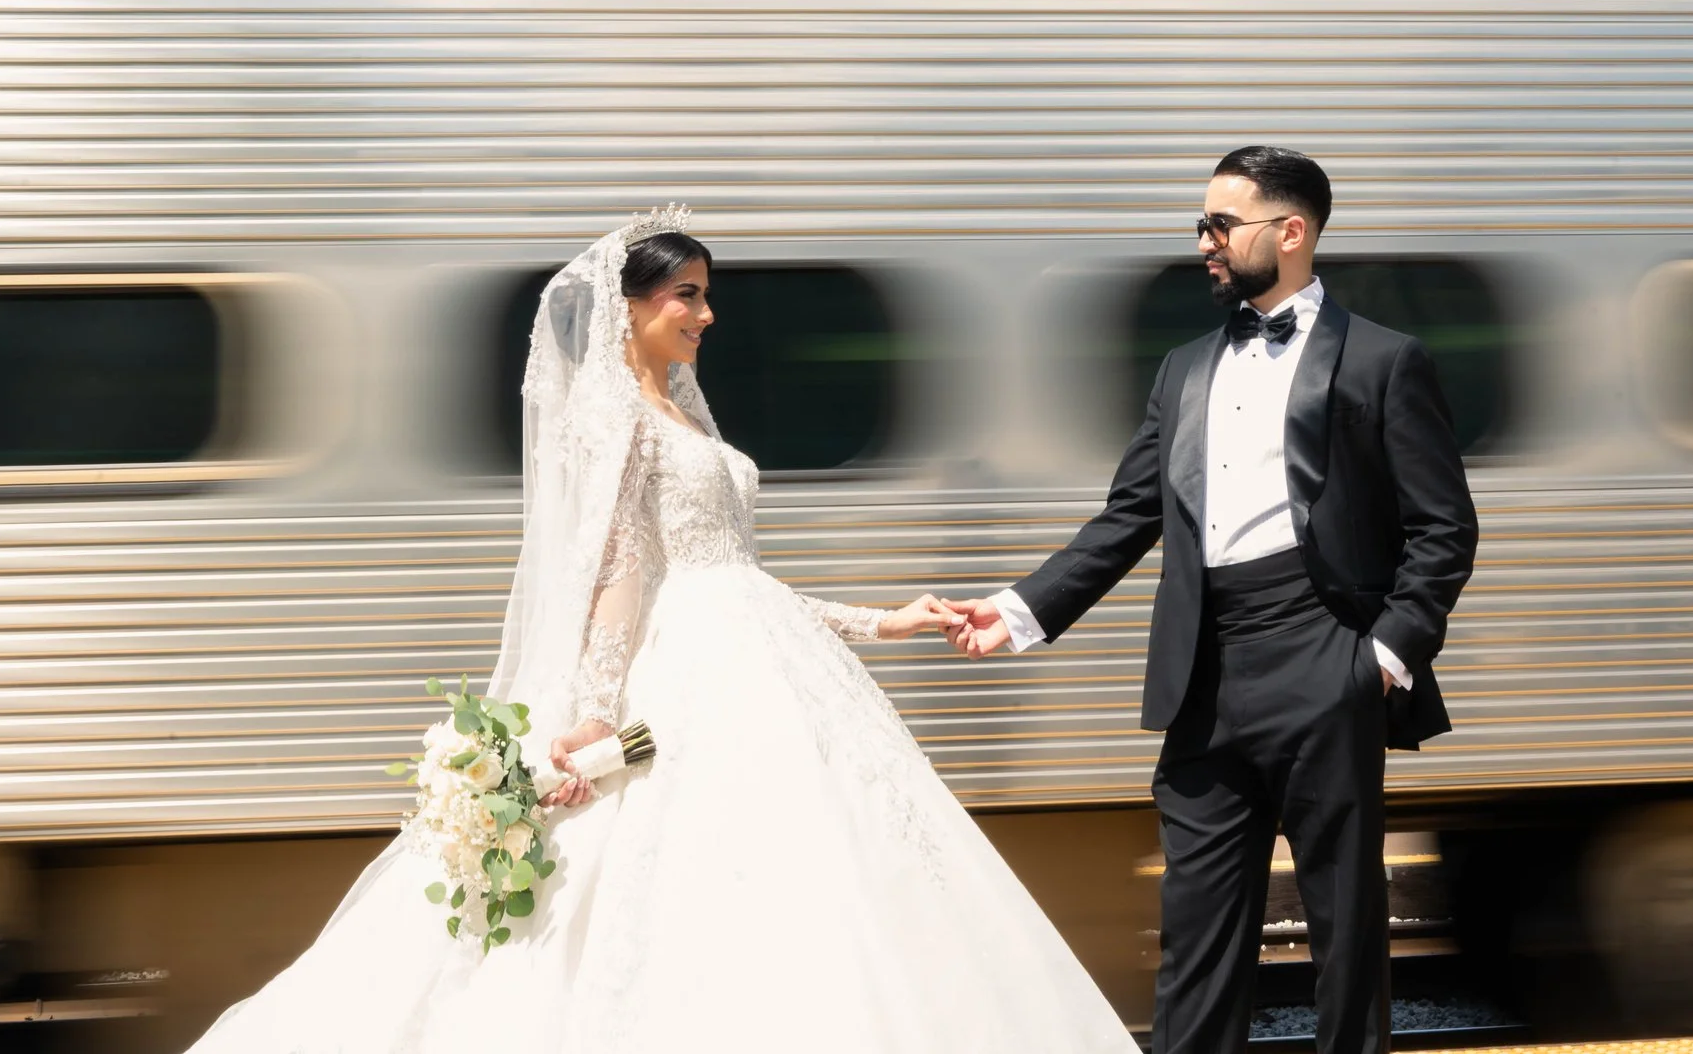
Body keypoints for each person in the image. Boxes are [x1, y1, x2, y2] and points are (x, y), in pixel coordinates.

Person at [180, 208, 1139, 1054]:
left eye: (706, 294)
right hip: (693, 680)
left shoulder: (673, 416)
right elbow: (616, 575)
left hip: (750, 649)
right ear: (631, 307)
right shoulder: (623, 425)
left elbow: (732, 574)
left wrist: (886, 618)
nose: (707, 313)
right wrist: (598, 714)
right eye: (688, 294)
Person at [948, 147, 1479, 1054]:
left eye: (1220, 224)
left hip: (1326, 651)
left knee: (1345, 924)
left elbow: (1444, 529)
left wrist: (1381, 656)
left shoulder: (1385, 361)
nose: (1204, 241)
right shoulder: (1185, 367)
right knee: (1196, 929)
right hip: (1207, 664)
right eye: (1203, 224)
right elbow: (1128, 516)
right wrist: (1021, 607)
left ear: (1292, 231)